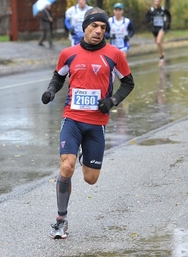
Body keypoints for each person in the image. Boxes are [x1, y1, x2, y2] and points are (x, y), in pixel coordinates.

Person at [41, 7, 134, 239]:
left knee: (90, 179)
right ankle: (60, 221)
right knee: (66, 166)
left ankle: (84, 156)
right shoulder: (69, 53)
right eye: (94, 26)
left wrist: (112, 101)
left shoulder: (115, 55)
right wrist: (51, 91)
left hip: (96, 123)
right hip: (72, 118)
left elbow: (128, 83)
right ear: (85, 27)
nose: (98, 31)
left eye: (103, 27)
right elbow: (59, 76)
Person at [145, 0, 171, 66]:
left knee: (159, 41)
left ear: (160, 2)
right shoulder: (151, 10)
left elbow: (169, 15)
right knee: (157, 42)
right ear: (154, 2)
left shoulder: (163, 9)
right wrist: (150, 19)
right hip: (154, 29)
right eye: (156, 1)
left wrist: (168, 23)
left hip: (162, 27)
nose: (157, 2)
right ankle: (162, 53)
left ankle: (161, 59)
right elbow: (146, 19)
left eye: (158, 1)